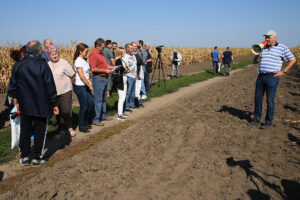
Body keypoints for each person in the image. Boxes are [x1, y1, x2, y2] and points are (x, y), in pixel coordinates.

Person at [8, 40, 58, 167]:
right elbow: (49, 85)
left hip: (25, 104)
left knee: (25, 129)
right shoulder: (42, 65)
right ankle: (36, 157)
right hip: (41, 103)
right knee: (40, 130)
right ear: (39, 51)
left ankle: (24, 156)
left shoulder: (18, 65)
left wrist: (15, 100)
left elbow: (12, 86)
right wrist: (54, 103)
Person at [248, 30, 296, 129]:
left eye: (268, 37)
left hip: (272, 78)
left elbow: (293, 59)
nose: (266, 39)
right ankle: (256, 119)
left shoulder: (282, 47)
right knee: (258, 99)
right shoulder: (263, 48)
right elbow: (254, 62)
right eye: (265, 37)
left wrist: (284, 71)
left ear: (275, 38)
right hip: (261, 77)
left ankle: (268, 122)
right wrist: (257, 53)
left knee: (270, 100)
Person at [48, 45, 76, 137]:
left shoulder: (64, 63)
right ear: (49, 55)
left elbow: (72, 75)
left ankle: (70, 127)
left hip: (65, 91)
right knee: (58, 112)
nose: (55, 56)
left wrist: (68, 84)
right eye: (52, 54)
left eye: (56, 54)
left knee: (66, 111)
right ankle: (61, 130)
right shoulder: (47, 64)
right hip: (54, 93)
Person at [89, 38, 116, 126]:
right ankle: (96, 119)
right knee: (98, 100)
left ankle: (103, 116)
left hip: (104, 78)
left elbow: (106, 65)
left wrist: (113, 67)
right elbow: (93, 69)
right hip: (99, 79)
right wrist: (105, 71)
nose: (104, 49)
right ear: (97, 46)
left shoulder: (101, 54)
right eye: (102, 47)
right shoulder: (93, 54)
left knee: (104, 99)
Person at [73, 43, 94, 133]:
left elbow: (87, 74)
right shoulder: (78, 61)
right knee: (84, 106)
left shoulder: (84, 60)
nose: (87, 53)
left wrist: (90, 83)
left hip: (85, 85)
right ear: (80, 51)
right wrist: (88, 85)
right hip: (80, 86)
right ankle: (81, 125)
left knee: (91, 103)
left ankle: (85, 122)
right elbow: (81, 75)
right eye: (86, 51)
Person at [113, 47, 129, 120]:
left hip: (124, 79)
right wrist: (126, 70)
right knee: (121, 97)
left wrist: (126, 70)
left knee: (123, 96)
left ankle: (121, 112)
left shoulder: (121, 60)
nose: (125, 53)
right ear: (121, 52)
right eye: (124, 52)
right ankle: (119, 114)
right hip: (120, 81)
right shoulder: (118, 60)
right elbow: (119, 69)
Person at [123, 43, 137, 112]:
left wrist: (136, 75)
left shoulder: (133, 56)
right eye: (131, 48)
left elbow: (135, 66)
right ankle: (126, 106)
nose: (132, 49)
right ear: (127, 49)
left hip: (134, 76)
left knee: (133, 92)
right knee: (127, 92)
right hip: (128, 76)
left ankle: (132, 104)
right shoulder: (125, 57)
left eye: (132, 48)